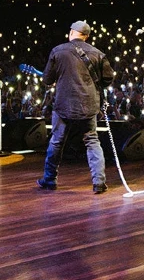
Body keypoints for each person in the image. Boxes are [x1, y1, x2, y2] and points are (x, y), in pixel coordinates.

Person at [37, 20, 114, 193]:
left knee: (57, 141)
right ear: (86, 36)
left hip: (63, 105)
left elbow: (47, 79)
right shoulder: (98, 54)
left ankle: (49, 179)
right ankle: (99, 182)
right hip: (88, 105)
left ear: (71, 32)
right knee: (92, 142)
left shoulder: (58, 51)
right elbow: (108, 79)